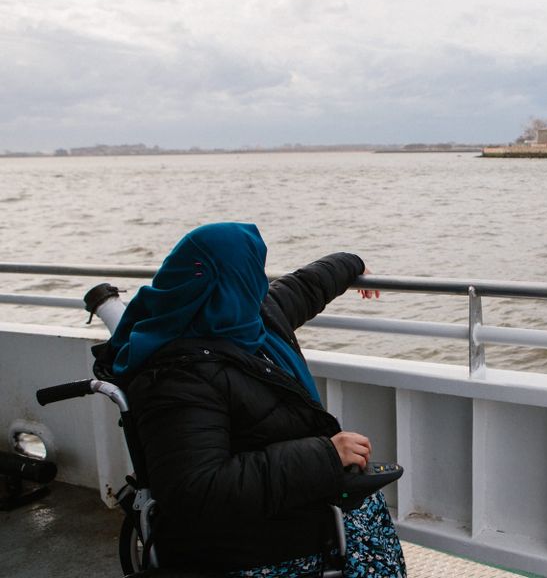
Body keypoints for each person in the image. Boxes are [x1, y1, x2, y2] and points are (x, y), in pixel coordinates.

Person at [104, 222, 405, 577]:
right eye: (252, 272)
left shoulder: (250, 319)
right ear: (235, 282)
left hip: (286, 504)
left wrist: (352, 263)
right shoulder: (175, 376)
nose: (260, 282)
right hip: (251, 545)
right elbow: (197, 491)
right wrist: (325, 454)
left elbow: (306, 285)